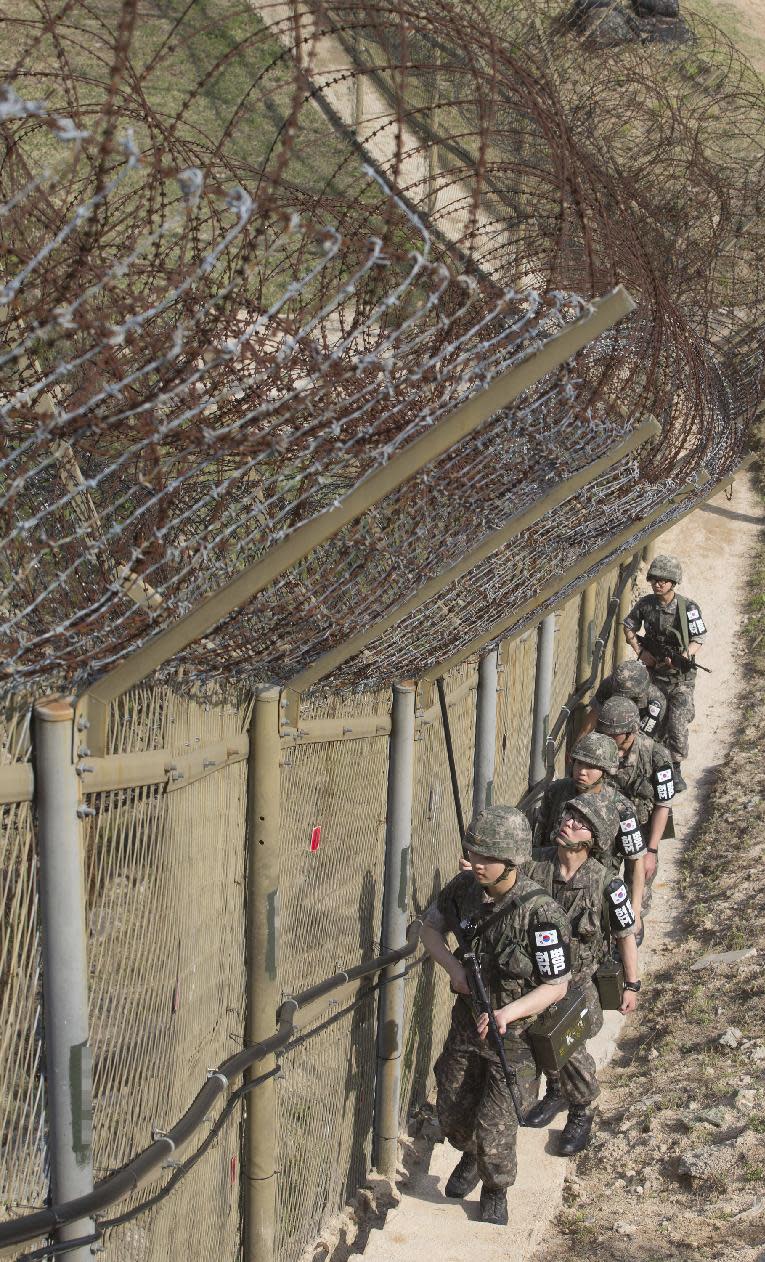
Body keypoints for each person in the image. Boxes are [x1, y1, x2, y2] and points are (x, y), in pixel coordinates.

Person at [420, 805, 571, 1225]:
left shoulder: (541, 914)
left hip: (517, 1039)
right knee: (450, 1107)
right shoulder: (462, 890)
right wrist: (455, 970)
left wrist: (509, 1012)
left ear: (513, 861)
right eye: (473, 852)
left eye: (487, 857)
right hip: (468, 1026)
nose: (476, 863)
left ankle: (495, 1186)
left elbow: (556, 984)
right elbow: (429, 929)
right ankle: (470, 1154)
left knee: (497, 1126)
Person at [524, 796, 639, 1152]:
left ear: (594, 839)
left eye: (580, 822)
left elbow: (625, 935)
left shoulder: (607, 885)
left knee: (570, 1045)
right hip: (533, 980)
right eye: (568, 816)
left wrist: (632, 984)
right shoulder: (533, 865)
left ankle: (581, 1107)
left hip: (576, 985)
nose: (568, 823)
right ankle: (556, 1091)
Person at [528, 732, 647, 931]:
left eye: (591, 766)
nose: (581, 771)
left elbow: (635, 860)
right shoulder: (557, 792)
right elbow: (538, 841)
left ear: (605, 771)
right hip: (551, 881)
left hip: (595, 894)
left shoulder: (621, 808)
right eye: (578, 764)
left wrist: (634, 909)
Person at [622, 553, 707, 791]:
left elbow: (699, 637)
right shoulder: (646, 605)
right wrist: (640, 652)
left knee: (677, 723)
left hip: (681, 679)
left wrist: (684, 656)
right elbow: (628, 627)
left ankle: (675, 767)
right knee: (652, 718)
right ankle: (648, 765)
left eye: (664, 580)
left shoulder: (687, 608)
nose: (658, 583)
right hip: (654, 676)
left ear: (673, 582)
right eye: (655, 579)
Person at [596, 695, 674, 918]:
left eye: (613, 734)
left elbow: (662, 805)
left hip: (642, 830)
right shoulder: (599, 750)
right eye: (604, 732)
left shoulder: (656, 756)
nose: (607, 738)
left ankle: (631, 939)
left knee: (637, 899)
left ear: (631, 731)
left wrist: (651, 850)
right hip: (608, 831)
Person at [578, 658, 667, 741]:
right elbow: (593, 717)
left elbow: (639, 741)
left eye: (628, 697)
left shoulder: (655, 702)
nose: (622, 700)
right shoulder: (610, 685)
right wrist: (578, 745)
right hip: (611, 726)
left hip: (638, 738)